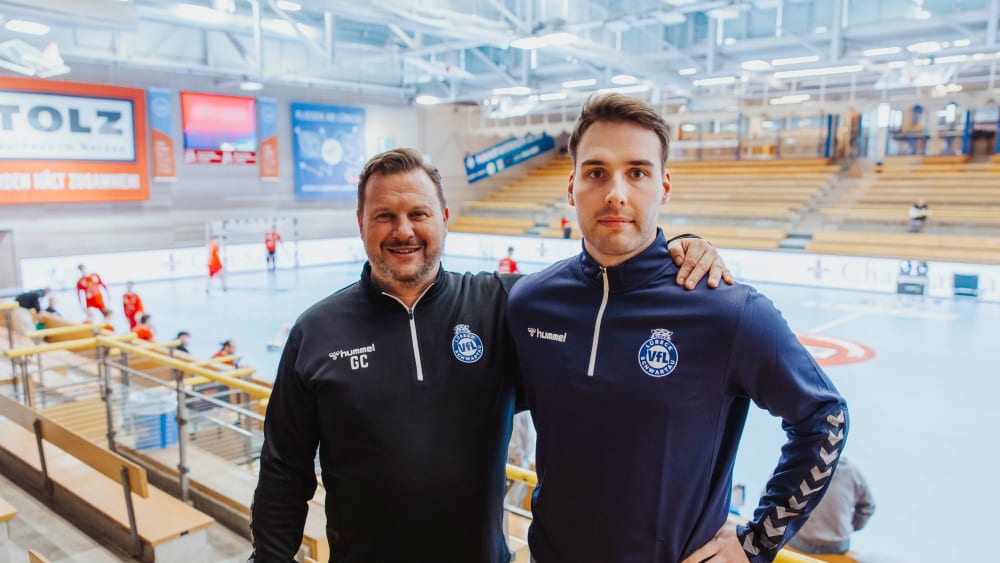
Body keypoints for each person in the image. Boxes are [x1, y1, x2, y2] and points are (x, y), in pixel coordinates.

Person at [249, 148, 732, 563]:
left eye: (418, 214)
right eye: (384, 216)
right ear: (361, 223)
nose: (403, 231)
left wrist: (677, 250)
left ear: (444, 217)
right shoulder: (316, 331)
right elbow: (284, 470)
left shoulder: (502, 305)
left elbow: (601, 296)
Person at [505, 94, 849, 563]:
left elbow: (825, 418)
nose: (616, 193)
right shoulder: (531, 303)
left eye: (637, 172)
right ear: (571, 187)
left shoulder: (727, 311)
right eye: (596, 172)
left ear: (664, 185)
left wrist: (757, 543)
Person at [787, 457, 875, 556]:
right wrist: (847, 526)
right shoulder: (852, 471)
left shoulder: (795, 465)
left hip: (801, 540)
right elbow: (868, 507)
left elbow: (770, 499)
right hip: (837, 545)